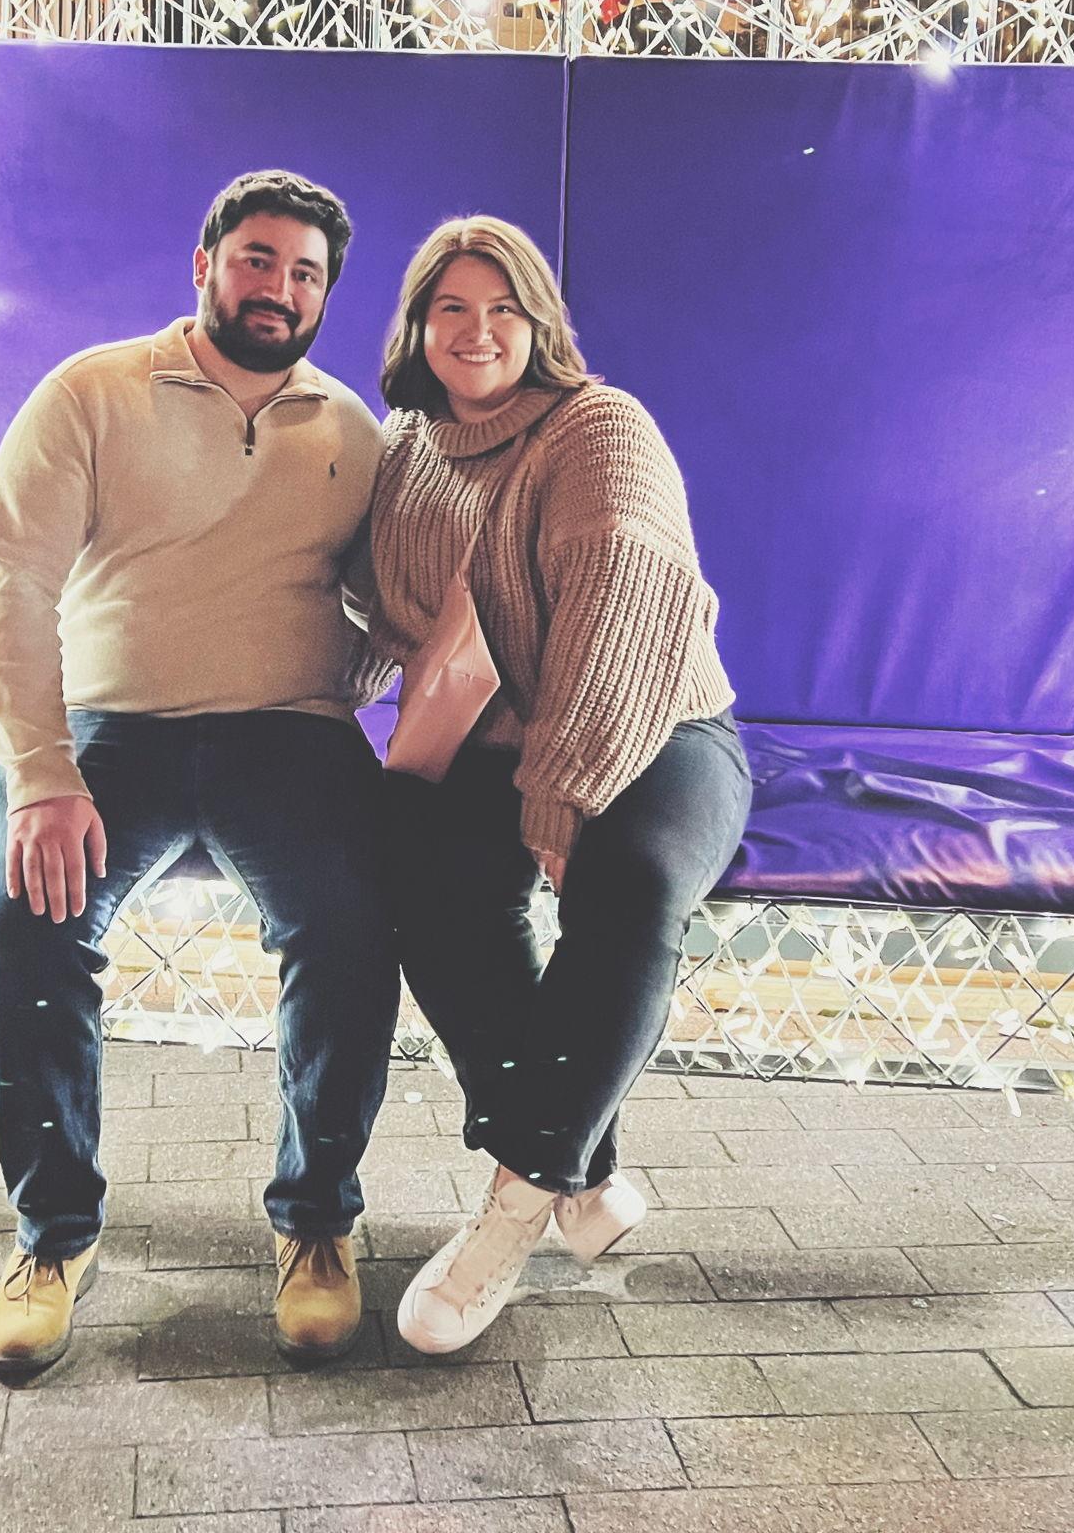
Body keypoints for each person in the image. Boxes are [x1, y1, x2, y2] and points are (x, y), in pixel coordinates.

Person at [0, 171, 396, 1376]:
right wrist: (41, 773)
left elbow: (394, 602)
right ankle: (53, 1237)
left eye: (305, 272)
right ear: (204, 263)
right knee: (29, 927)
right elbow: (12, 581)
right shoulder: (91, 393)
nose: (279, 287)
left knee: (355, 926)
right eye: (258, 259)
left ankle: (316, 1221)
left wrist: (338, 676)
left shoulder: (351, 433)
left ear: (325, 294)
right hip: (112, 731)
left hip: (288, 733)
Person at [363, 216, 751, 1354]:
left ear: (540, 324)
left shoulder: (598, 427)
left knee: (629, 885)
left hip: (657, 728)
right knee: (416, 874)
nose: (476, 331)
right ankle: (582, 1173)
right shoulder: (406, 447)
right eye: (450, 307)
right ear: (418, 326)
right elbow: (386, 613)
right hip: (499, 742)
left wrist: (559, 792)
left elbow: (617, 612)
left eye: (503, 308)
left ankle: (509, 1211)